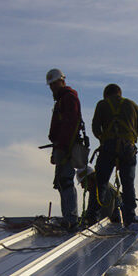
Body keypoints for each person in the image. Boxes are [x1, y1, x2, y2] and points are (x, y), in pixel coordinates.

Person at [91, 83, 138, 225]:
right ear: (119, 93)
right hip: (128, 148)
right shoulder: (134, 106)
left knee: (100, 183)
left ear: (106, 95)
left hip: (108, 146)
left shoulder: (102, 104)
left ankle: (92, 218)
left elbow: (95, 128)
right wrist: (128, 138)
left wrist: (104, 139)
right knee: (128, 184)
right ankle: (130, 219)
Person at [46, 68, 83, 227]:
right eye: (51, 85)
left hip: (67, 146)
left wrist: (63, 147)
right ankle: (69, 217)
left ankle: (71, 219)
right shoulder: (62, 100)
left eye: (54, 84)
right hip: (62, 145)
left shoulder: (69, 98)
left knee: (66, 180)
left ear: (62, 81)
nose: (52, 87)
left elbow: (71, 123)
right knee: (62, 181)